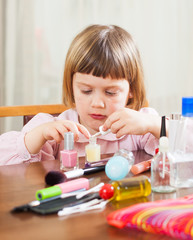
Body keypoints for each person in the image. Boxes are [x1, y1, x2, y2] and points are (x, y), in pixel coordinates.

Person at [0, 24, 161, 166]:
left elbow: (181, 154)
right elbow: (6, 164)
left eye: (110, 92)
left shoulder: (140, 127)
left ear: (131, 89)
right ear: (71, 86)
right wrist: (39, 135)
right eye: (86, 91)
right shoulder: (52, 130)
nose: (97, 103)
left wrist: (153, 125)